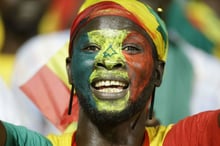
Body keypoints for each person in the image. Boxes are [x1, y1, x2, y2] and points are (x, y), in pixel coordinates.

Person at [0, 0, 220, 145]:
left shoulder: (187, 139)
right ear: (69, 69)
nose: (109, 60)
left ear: (158, 72)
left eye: (131, 48)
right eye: (92, 48)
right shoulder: (40, 54)